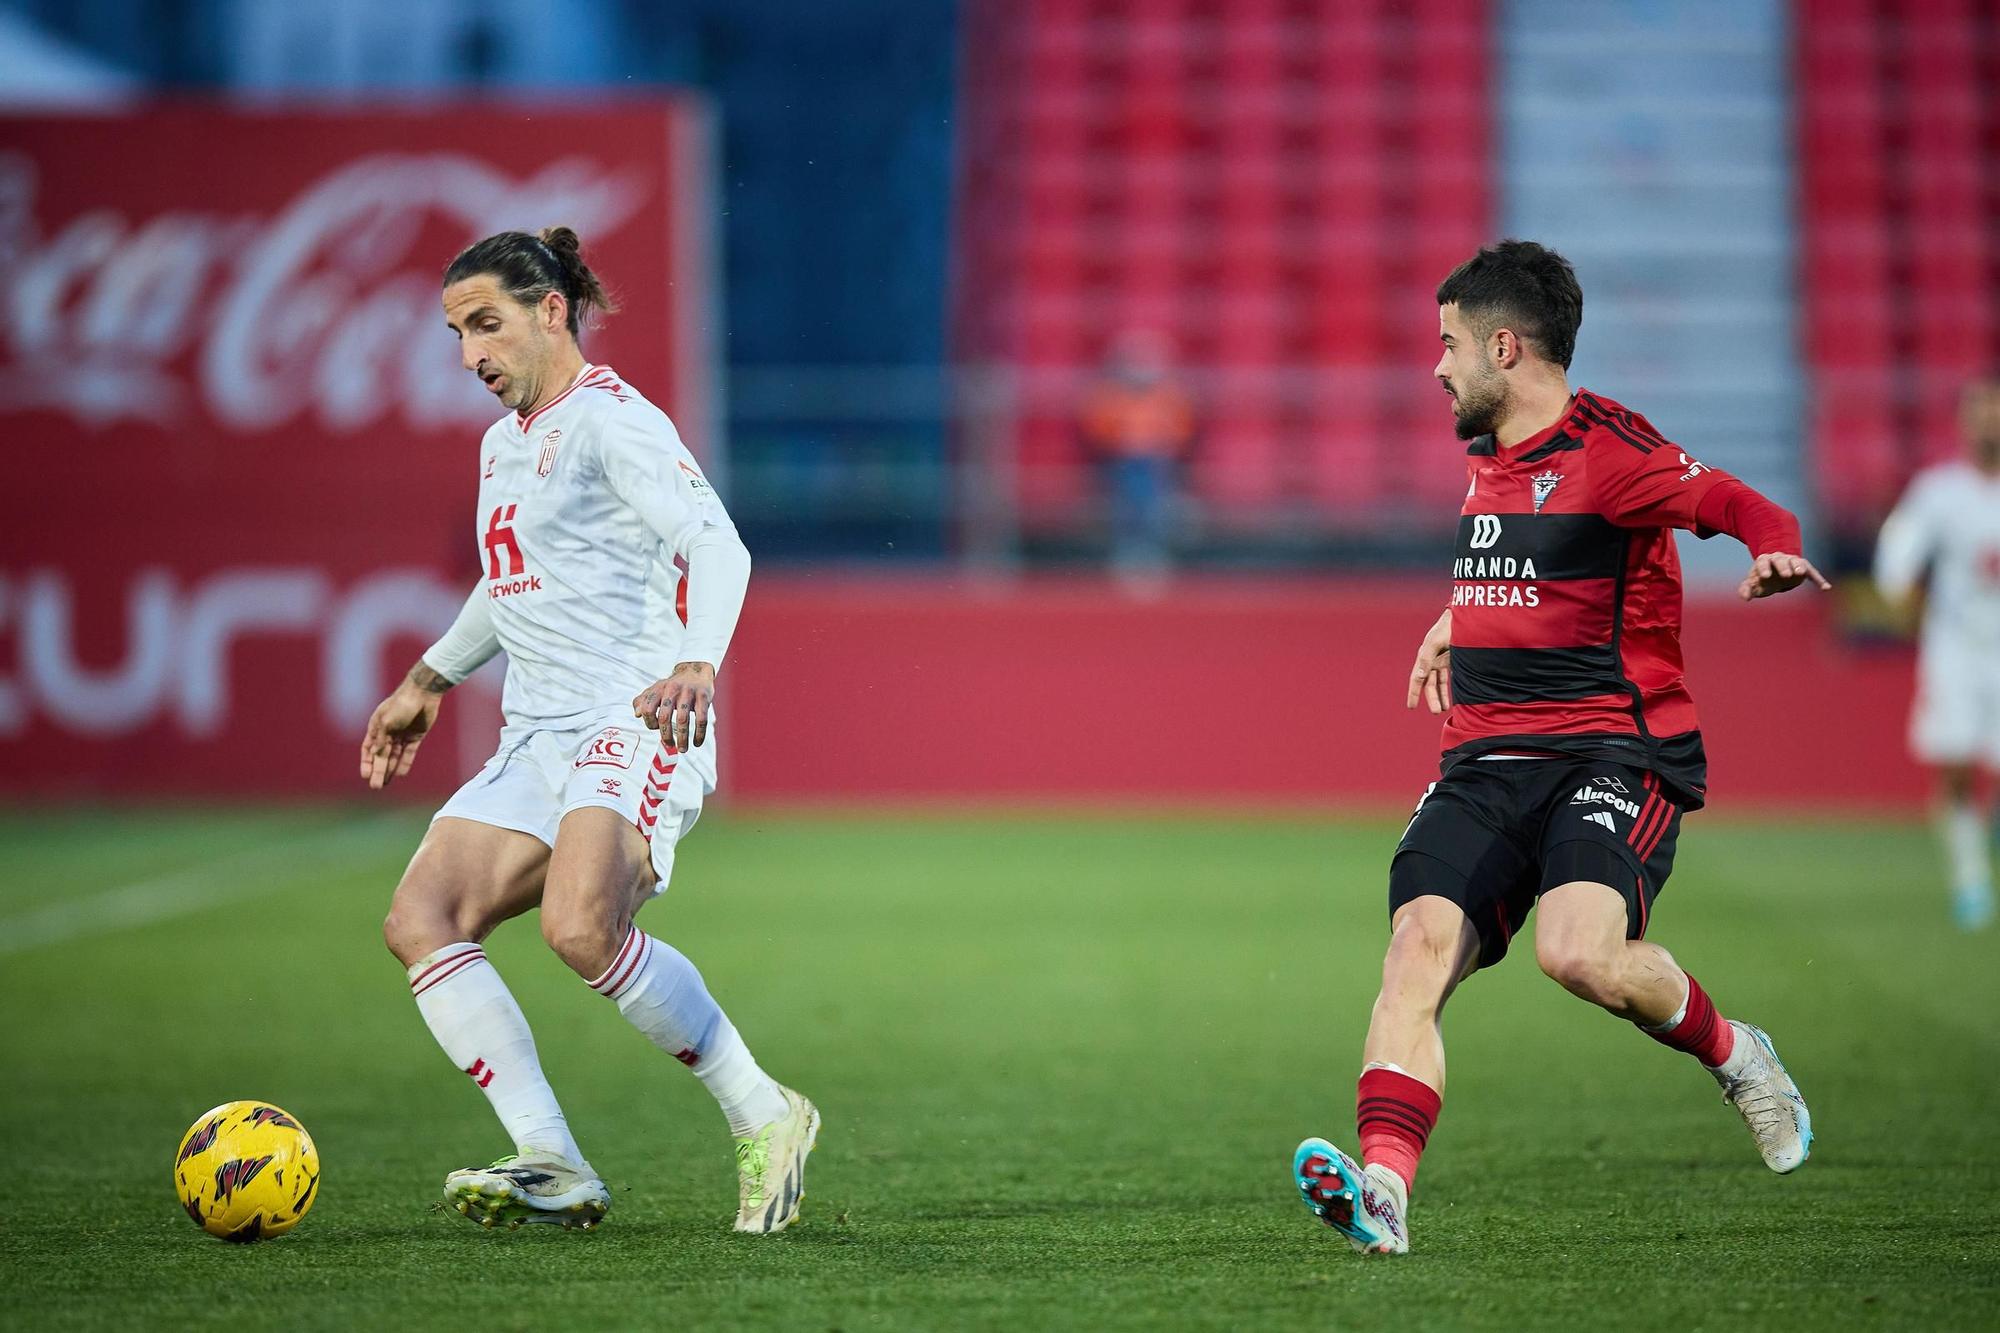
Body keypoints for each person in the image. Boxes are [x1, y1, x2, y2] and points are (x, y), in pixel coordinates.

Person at [1291, 240, 1827, 1255]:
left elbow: (1728, 500)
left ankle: (1734, 1051)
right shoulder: (1488, 456)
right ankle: (1382, 1194)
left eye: (1448, 345)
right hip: (1483, 761)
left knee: (1578, 955)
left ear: (1504, 345)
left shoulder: (1611, 452)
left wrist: (1772, 540)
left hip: (1611, 756)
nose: (1436, 366)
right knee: (1414, 952)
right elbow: (1528, 572)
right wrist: (1459, 615)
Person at [360, 227, 817, 1234]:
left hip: (635, 716)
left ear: (551, 311)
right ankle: (551, 1161)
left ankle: (764, 1111)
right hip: (537, 736)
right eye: (455, 333)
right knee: (421, 919)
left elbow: (713, 540)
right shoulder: (502, 442)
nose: (470, 353)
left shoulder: (615, 422)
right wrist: (428, 676)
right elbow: (512, 576)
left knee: (579, 928)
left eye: (486, 324)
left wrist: (696, 658)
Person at [1874, 378, 2000, 930]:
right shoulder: (1940, 490)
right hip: (1956, 649)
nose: (1989, 422)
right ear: (1965, 421)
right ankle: (1971, 881)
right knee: (1953, 765)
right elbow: (1900, 546)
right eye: (1981, 412)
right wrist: (1897, 586)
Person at [1077, 328, 1197, 586]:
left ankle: (1152, 553)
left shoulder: (1167, 395)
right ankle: (1128, 553)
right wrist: (1124, 442)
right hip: (1121, 462)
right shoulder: (1109, 394)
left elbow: (1181, 430)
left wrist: (1157, 443)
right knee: (1127, 500)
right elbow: (1098, 430)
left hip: (1156, 463)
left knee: (1153, 501)